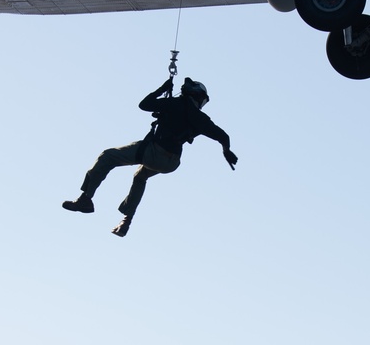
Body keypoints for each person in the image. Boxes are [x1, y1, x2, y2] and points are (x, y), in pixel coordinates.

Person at [62, 77, 238, 237]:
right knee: (140, 176)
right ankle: (126, 222)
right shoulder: (201, 118)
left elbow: (144, 105)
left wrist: (162, 88)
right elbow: (224, 136)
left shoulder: (175, 103)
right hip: (171, 162)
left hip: (153, 152)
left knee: (107, 157)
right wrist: (226, 151)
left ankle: (85, 199)